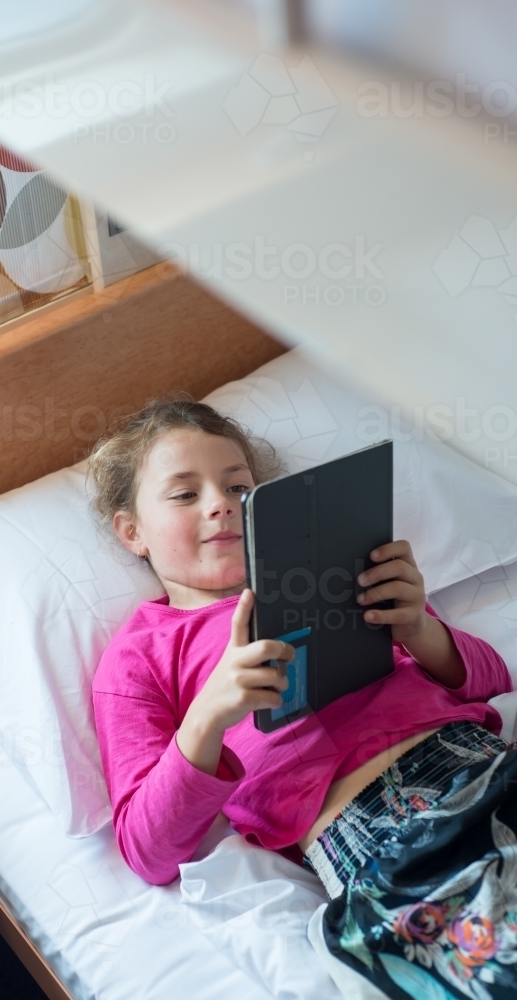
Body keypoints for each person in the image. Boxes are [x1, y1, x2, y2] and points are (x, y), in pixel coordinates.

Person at [88, 392, 516, 999]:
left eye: (239, 489)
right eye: (185, 494)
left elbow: (492, 677)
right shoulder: (141, 656)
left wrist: (418, 627)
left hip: (479, 763)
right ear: (132, 531)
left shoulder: (337, 571)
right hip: (375, 834)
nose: (221, 506)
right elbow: (146, 849)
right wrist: (208, 716)